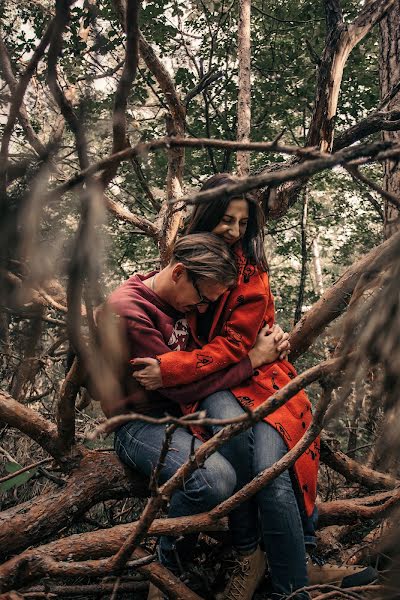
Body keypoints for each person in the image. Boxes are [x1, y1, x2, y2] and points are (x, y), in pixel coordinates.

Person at [133, 174, 376, 599]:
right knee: (245, 459)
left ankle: (292, 580)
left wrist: (172, 368)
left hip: (257, 377)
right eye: (225, 219)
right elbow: (160, 301)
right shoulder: (186, 258)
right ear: (205, 216)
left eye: (242, 223)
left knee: (271, 464)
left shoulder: (252, 273)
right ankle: (266, 561)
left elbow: (235, 346)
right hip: (214, 382)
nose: (233, 231)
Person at [100, 233, 287, 598]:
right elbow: (179, 388)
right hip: (139, 422)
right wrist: (253, 360)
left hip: (186, 416)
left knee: (250, 448)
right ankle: (164, 574)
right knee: (214, 479)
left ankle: (255, 554)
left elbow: (205, 364)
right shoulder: (130, 310)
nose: (202, 309)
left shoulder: (182, 298)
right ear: (179, 273)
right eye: (202, 298)